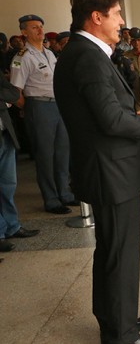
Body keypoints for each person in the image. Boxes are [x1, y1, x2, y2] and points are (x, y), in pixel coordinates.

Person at [53, 0, 140, 344]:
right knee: (120, 254)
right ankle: (122, 335)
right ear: (96, 17)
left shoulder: (84, 52)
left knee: (111, 251)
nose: (121, 21)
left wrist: (133, 113)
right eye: (117, 13)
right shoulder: (86, 57)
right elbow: (110, 122)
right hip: (110, 172)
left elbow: (103, 111)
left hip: (107, 169)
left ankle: (117, 320)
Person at [10, 14, 77, 214]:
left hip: (58, 106)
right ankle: (51, 199)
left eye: (40, 26)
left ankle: (65, 193)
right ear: (23, 32)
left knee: (62, 151)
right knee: (45, 155)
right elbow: (15, 92)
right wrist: (28, 108)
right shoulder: (22, 57)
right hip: (39, 107)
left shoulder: (49, 54)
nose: (39, 30)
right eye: (34, 27)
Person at [0, 74, 40, 252]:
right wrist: (4, 100)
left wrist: (4, 98)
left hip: (4, 135)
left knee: (8, 185)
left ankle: (12, 226)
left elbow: (14, 94)